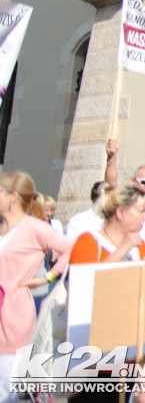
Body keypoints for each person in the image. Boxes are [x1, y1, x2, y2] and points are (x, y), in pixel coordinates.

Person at [0, 172, 73, 403]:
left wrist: (49, 277)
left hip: (12, 315)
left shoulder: (33, 228)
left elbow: (73, 247)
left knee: (6, 390)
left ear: (12, 197)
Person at [69, 184, 145, 264]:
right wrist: (123, 249)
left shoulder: (139, 246)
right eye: (142, 211)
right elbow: (85, 277)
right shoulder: (89, 242)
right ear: (120, 213)